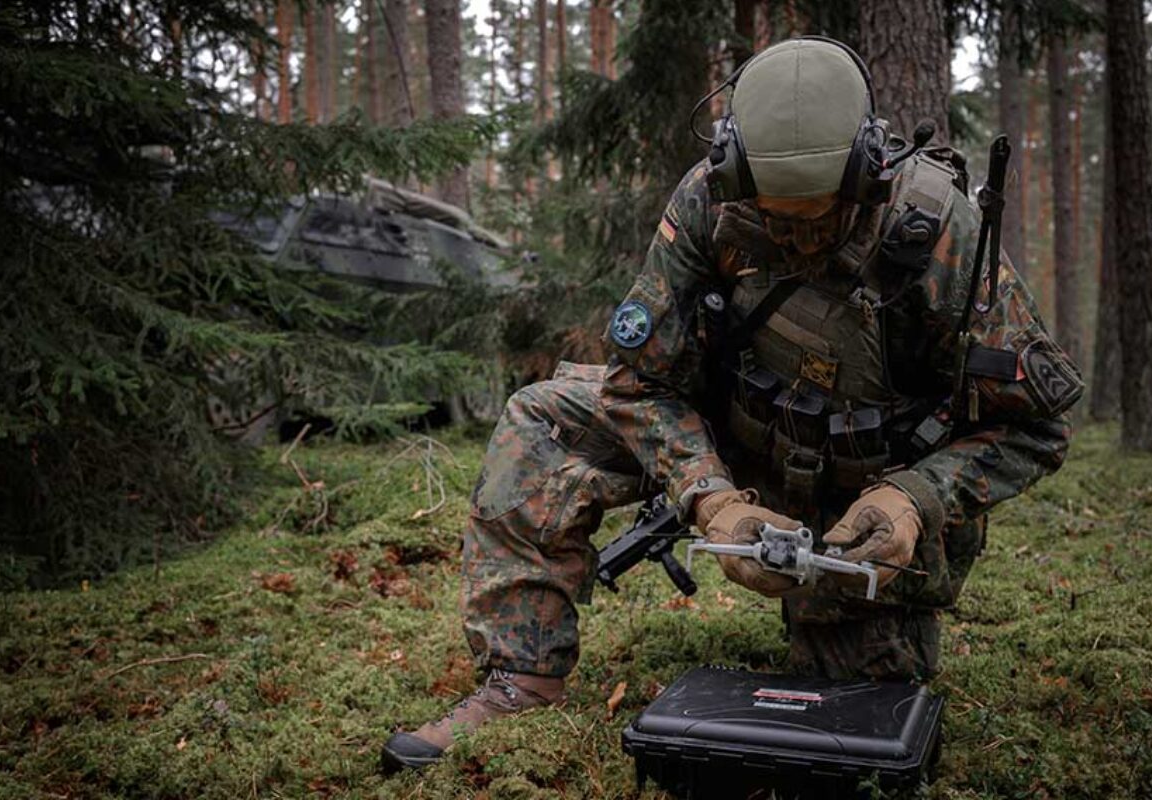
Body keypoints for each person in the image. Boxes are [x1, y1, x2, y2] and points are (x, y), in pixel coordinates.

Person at [381, 36, 1083, 773]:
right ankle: (520, 679)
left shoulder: (939, 233)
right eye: (774, 215)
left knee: (856, 714)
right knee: (546, 417)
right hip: (732, 440)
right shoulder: (708, 203)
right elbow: (637, 382)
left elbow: (1035, 425)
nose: (795, 237)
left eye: (818, 216)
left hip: (863, 501)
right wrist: (711, 498)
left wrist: (914, 500)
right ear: (734, 167)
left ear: (870, 171)